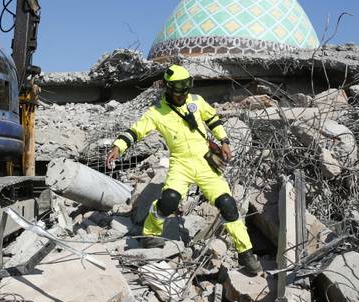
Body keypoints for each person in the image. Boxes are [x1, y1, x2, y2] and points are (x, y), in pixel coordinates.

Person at [106, 64, 262, 275]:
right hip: (180, 164)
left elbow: (212, 118)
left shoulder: (196, 102)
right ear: (168, 88)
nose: (183, 95)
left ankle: (246, 253)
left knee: (227, 204)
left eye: (186, 89)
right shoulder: (157, 113)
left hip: (205, 163)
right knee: (169, 200)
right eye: (178, 90)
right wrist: (118, 146)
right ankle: (151, 231)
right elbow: (136, 131)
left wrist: (223, 140)